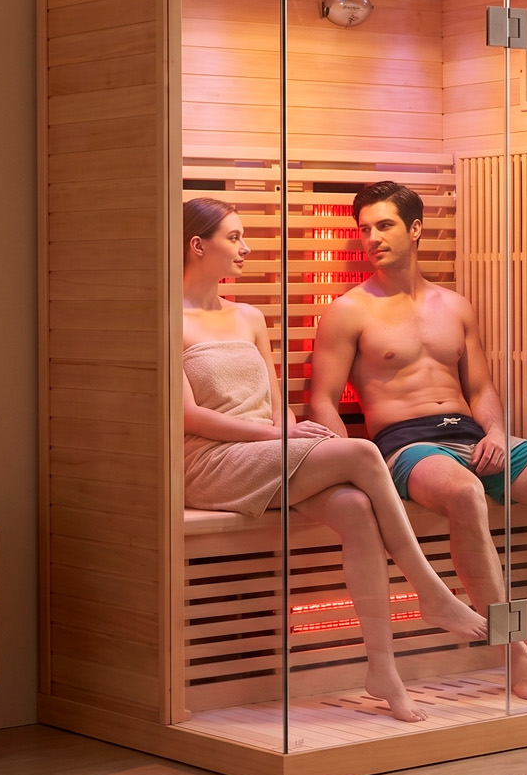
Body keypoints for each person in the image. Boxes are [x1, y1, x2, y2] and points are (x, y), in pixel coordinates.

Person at [180, 196, 487, 723]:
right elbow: (187, 418)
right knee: (364, 452)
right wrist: (278, 435)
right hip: (211, 464)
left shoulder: (249, 317)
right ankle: (431, 591)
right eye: (234, 237)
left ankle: (382, 669)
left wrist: (289, 429)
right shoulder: (164, 321)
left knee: (354, 508)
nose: (246, 248)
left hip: (268, 451)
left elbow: (275, 402)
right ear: (197, 245)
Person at [308, 181, 527, 702]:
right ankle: (513, 652)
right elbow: (322, 401)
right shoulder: (350, 311)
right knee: (466, 494)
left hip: (471, 435)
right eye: (364, 229)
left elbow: (480, 388)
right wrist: (358, 467)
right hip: (408, 446)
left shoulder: (456, 306)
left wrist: (495, 429)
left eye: (384, 225)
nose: (371, 238)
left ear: (416, 229)